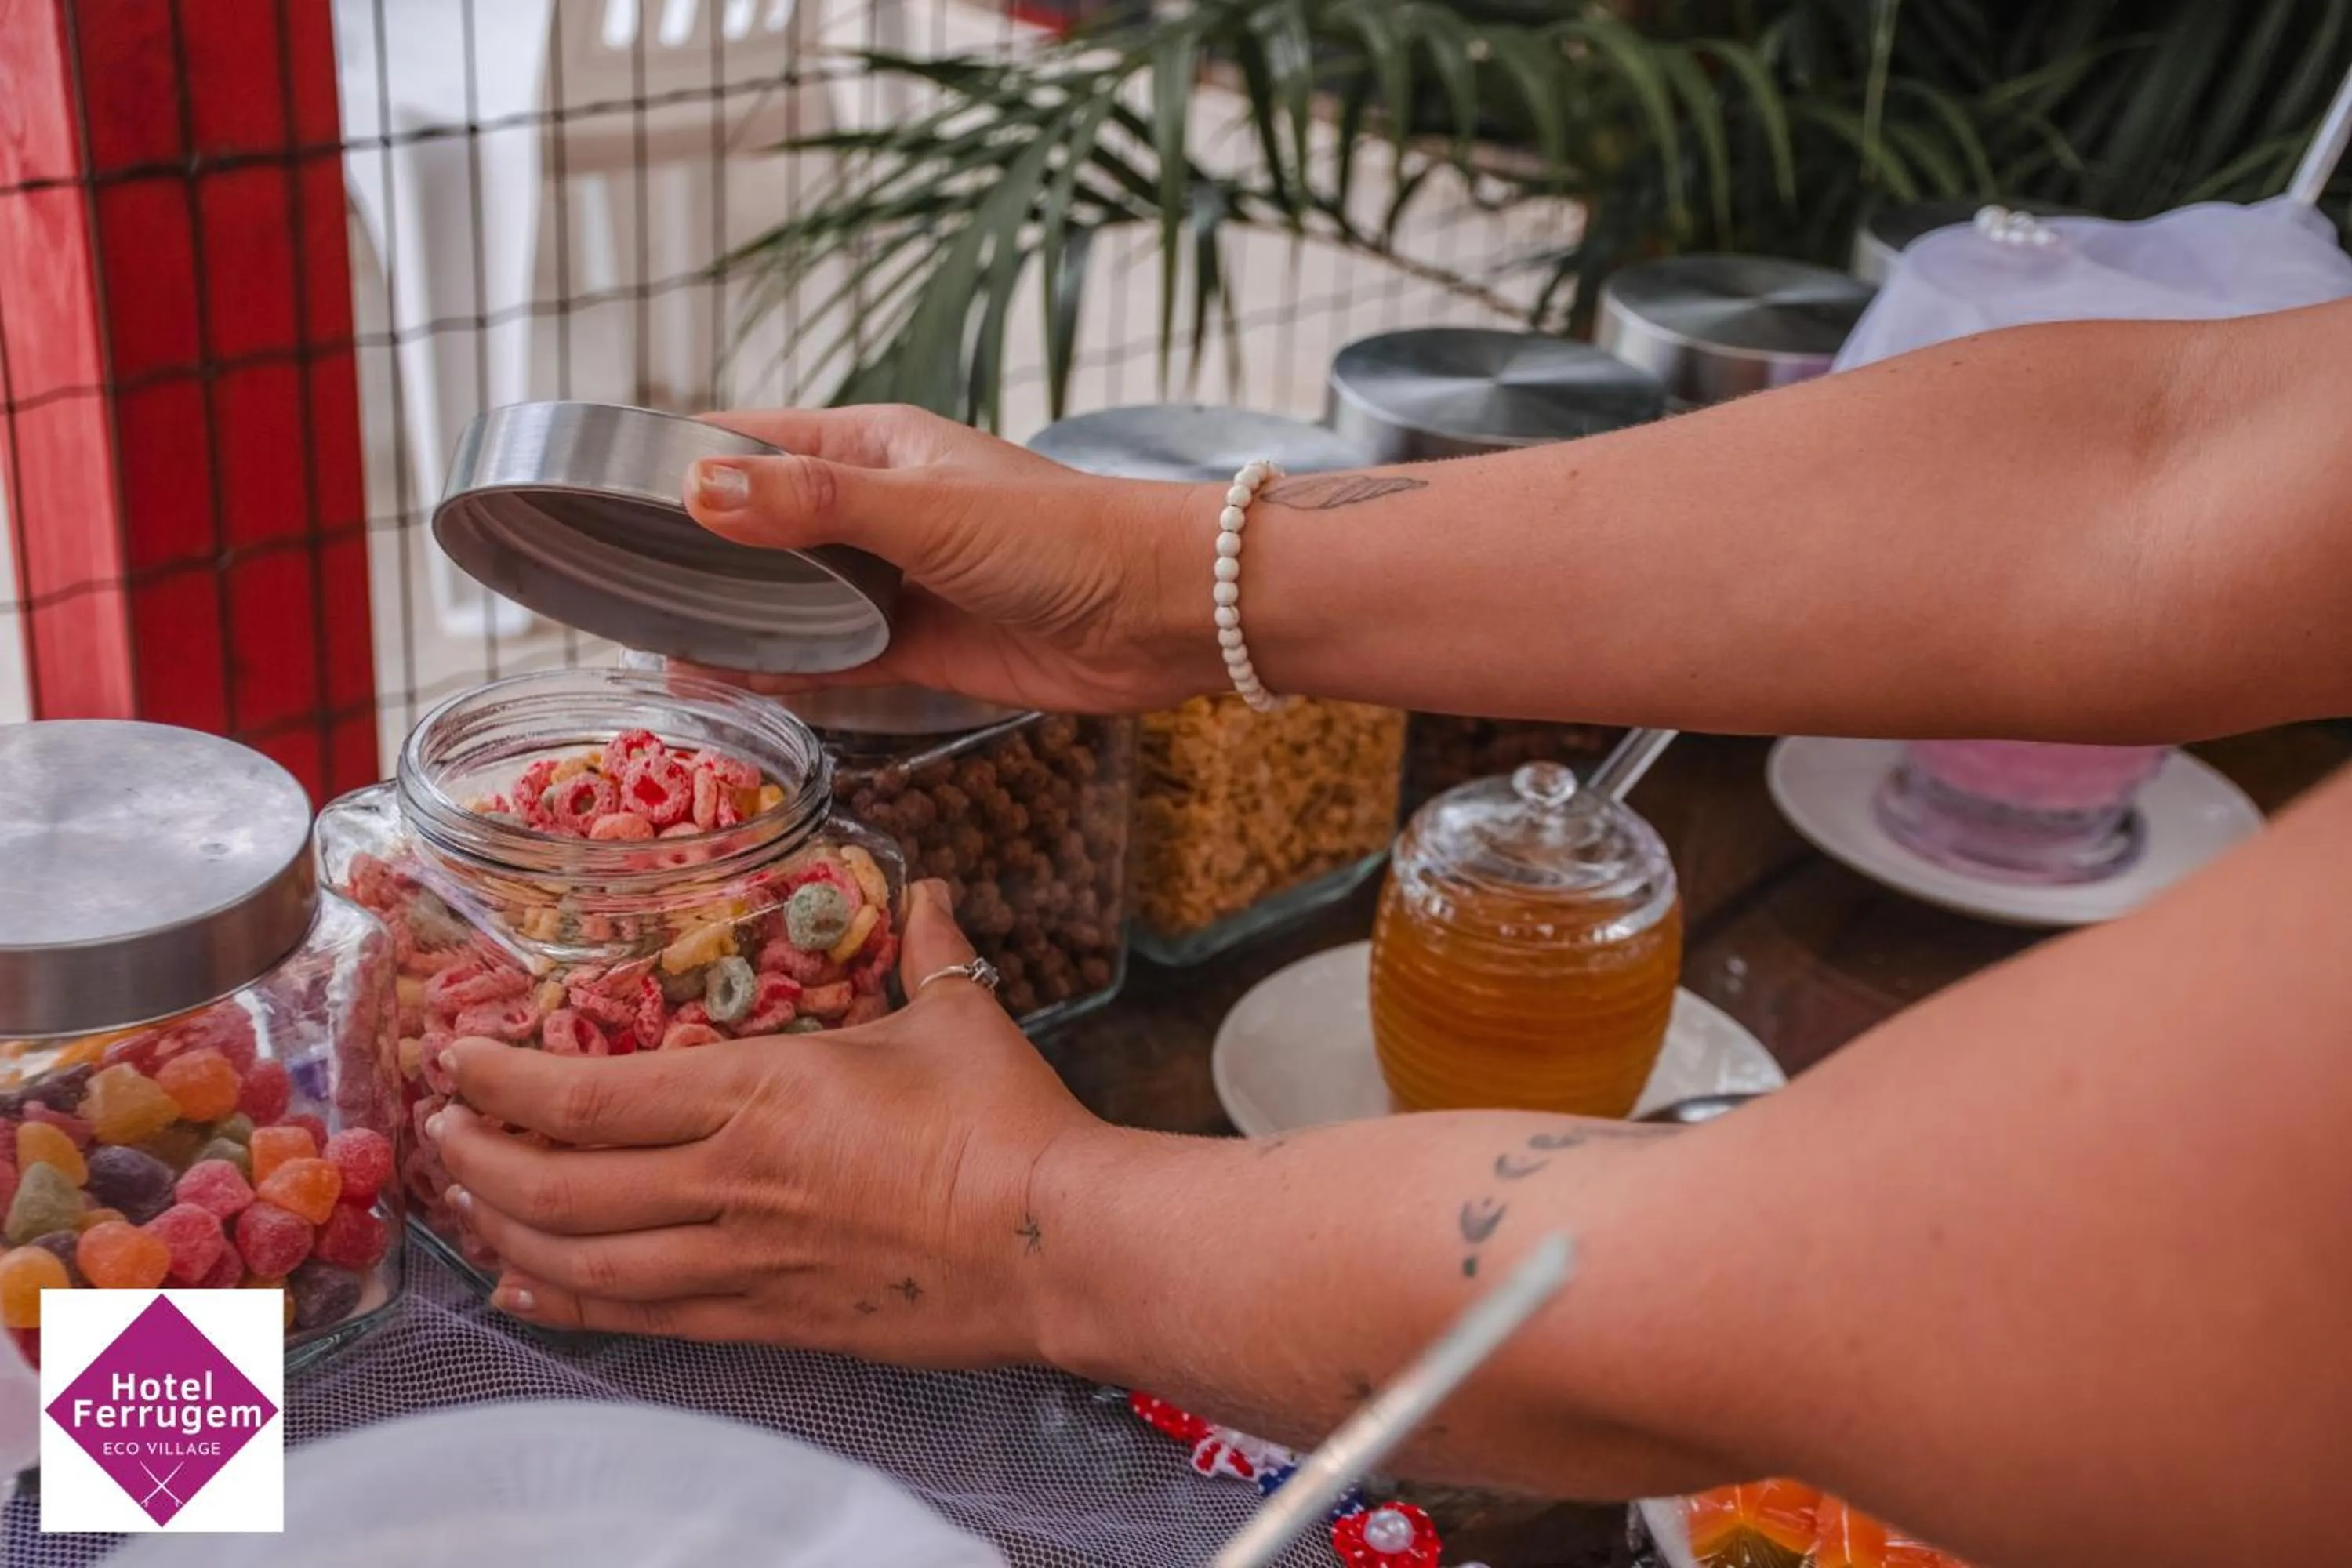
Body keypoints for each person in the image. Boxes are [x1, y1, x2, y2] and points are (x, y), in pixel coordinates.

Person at [425, 297, 2352, 1568]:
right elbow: (2172, 469)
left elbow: (1979, 1283)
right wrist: (1168, 573)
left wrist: (1027, 1221)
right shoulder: (355, 1009)